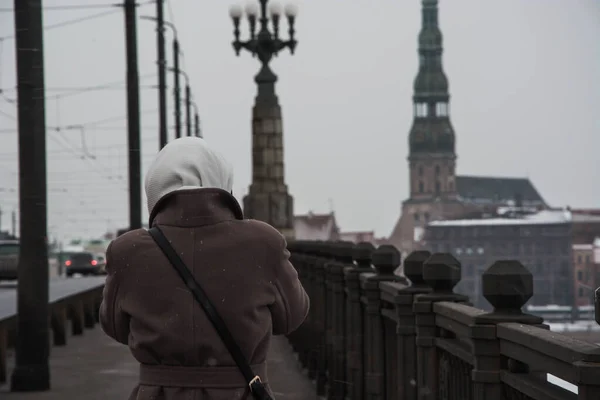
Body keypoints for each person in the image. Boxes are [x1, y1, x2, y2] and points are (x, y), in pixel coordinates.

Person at [99, 136, 310, 400]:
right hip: (240, 393)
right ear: (222, 184)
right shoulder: (263, 241)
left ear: (154, 189)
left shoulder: (127, 250)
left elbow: (115, 327)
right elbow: (292, 316)